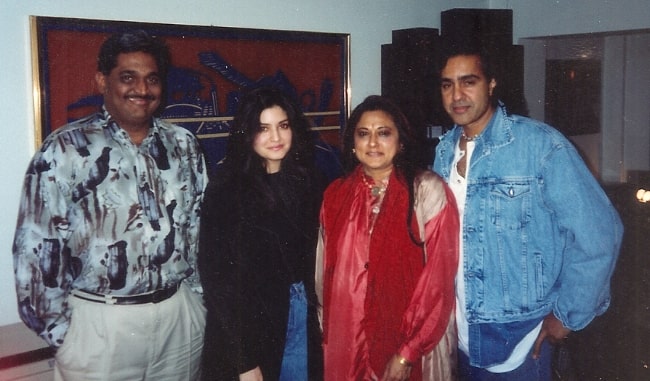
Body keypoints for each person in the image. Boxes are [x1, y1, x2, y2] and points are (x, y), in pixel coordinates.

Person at [12, 30, 208, 380]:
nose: (142, 90)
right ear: (103, 80)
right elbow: (36, 249)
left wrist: (197, 303)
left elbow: (198, 229)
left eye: (152, 79)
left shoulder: (183, 145)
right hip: (100, 327)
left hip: (178, 322)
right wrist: (66, 337)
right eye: (128, 77)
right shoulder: (65, 150)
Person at [432, 43, 624, 380]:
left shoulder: (539, 146)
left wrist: (567, 316)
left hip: (521, 340)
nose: (457, 95)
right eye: (447, 84)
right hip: (459, 336)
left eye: (469, 81)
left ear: (491, 83)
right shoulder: (444, 150)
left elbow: (601, 233)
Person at [316, 95, 460, 381]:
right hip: (349, 345)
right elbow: (324, 277)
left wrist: (408, 351)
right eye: (363, 134)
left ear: (401, 141)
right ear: (353, 144)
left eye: (383, 133)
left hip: (412, 344)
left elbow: (438, 284)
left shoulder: (426, 191)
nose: (372, 143)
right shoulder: (336, 195)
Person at [198, 86, 325, 381]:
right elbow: (217, 281)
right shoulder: (226, 189)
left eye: (283, 126)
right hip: (248, 327)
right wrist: (243, 360)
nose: (276, 138)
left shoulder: (311, 181)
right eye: (263, 128)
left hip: (302, 315)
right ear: (247, 133)